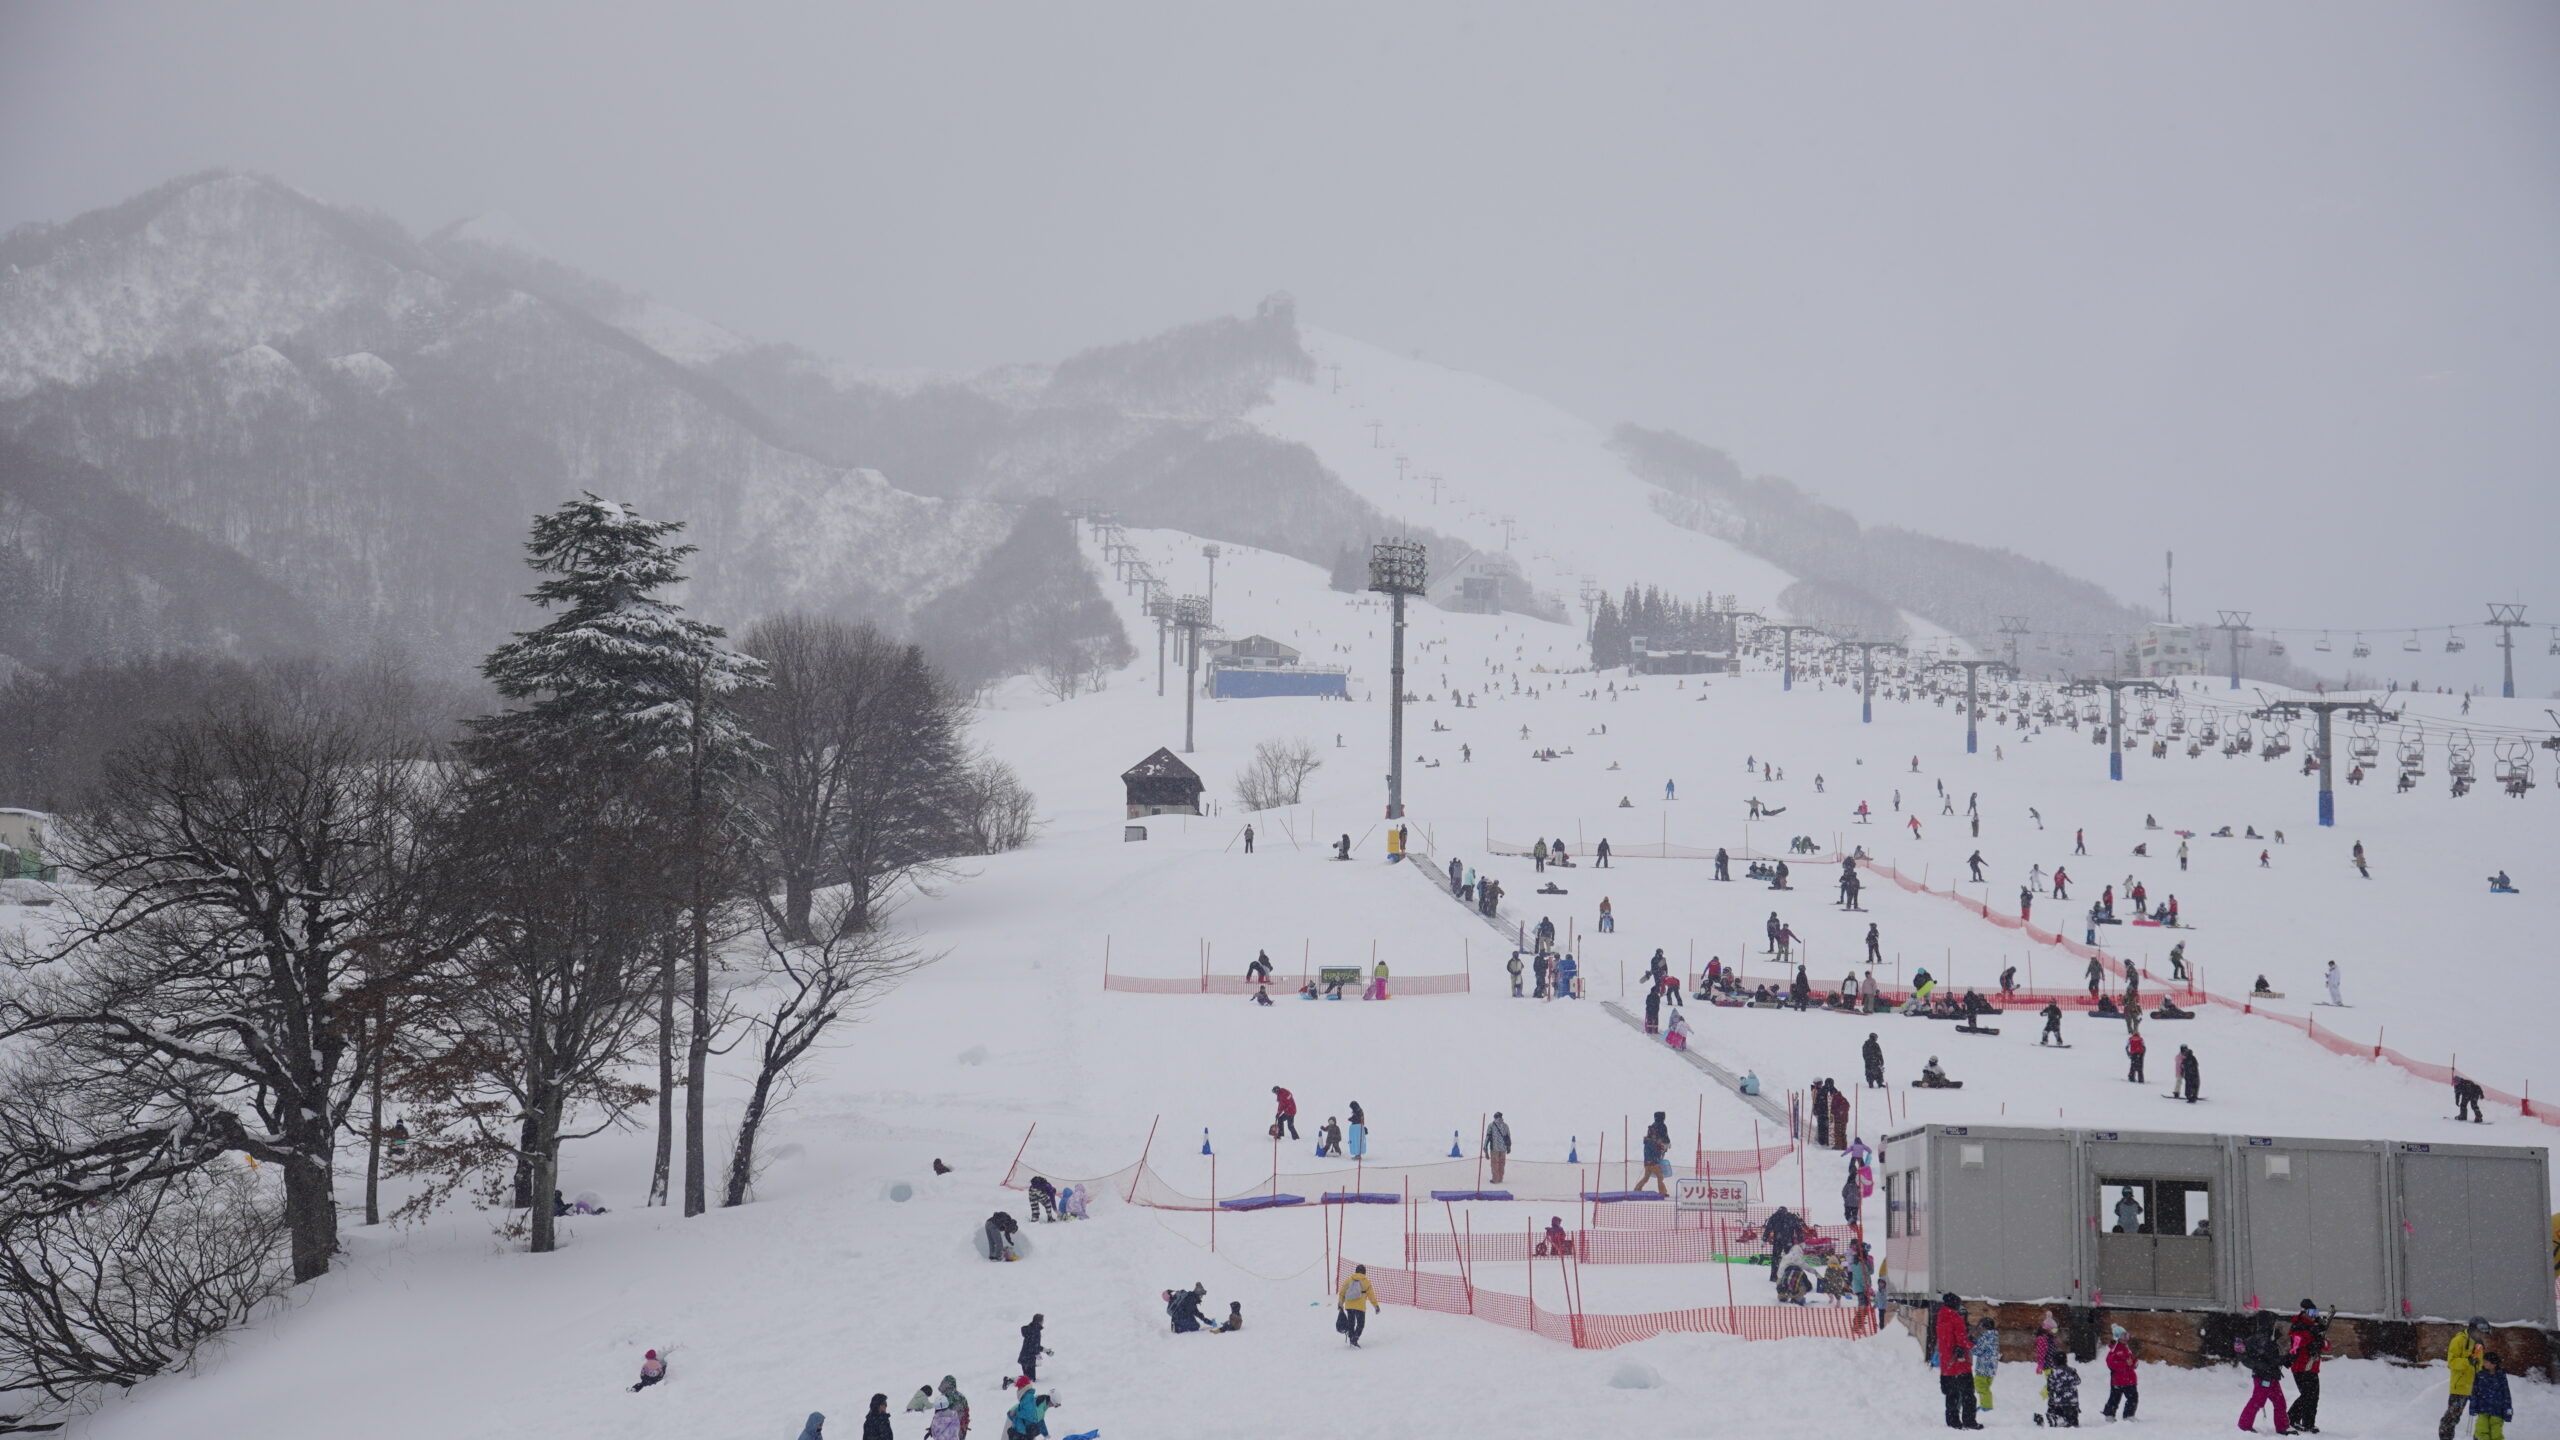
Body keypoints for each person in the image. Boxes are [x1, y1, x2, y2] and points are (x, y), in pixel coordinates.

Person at [2239, 1312, 2290, 1434]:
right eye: (2273, 1322)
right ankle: (2244, 1426)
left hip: (2272, 1377)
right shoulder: (2258, 1339)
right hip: (2263, 1377)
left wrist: (2286, 1359)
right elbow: (2267, 1359)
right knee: (2257, 1401)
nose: (2274, 1325)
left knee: (2280, 1402)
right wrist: (2282, 1360)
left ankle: (2282, 1427)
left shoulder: (2269, 1338)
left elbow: (2273, 1359)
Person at [1935, 1293, 1980, 1429]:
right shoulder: (1956, 1319)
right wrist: (1972, 1342)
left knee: (1951, 1395)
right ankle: (1969, 1421)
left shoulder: (1941, 1318)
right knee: (1968, 1395)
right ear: (1955, 1304)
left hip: (1946, 1363)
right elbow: (1962, 1341)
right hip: (1959, 1365)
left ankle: (1952, 1421)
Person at [2440, 1317, 2490, 1440]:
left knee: (2485, 1415)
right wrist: (2467, 1362)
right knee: (2452, 1417)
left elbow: (2479, 1365)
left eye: (2482, 1333)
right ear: (2472, 1329)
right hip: (2460, 1387)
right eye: (2479, 1332)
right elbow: (2451, 1362)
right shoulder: (2458, 1341)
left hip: (2475, 1386)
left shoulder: (2479, 1345)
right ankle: (2445, 1437)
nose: (2481, 1335)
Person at [2287, 1302, 2325, 1434]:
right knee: (2307, 1395)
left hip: (2312, 1367)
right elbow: (2298, 1341)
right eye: (2311, 1313)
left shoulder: (2315, 1326)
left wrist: (2321, 1340)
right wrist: (2312, 1333)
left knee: (2314, 1396)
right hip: (2300, 1367)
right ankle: (2291, 1419)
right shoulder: (2298, 1325)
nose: (2314, 1317)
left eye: (2316, 1313)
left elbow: (2325, 1345)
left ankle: (2309, 1423)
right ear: (2303, 1312)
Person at [2471, 1348, 2512, 1440]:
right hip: (2483, 1409)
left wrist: (2508, 1411)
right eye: (2483, 1361)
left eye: (2486, 1362)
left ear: (2494, 1364)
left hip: (2497, 1410)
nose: (2484, 1363)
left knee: (2496, 1434)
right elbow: (2474, 1392)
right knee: (2481, 1429)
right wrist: (2473, 1406)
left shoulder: (2501, 1376)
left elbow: (2506, 1394)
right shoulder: (2480, 1375)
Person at [1336, 1263, 1381, 1347]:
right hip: (1360, 1307)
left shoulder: (1349, 1280)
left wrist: (1340, 1303)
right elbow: (1371, 1296)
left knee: (1351, 1323)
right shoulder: (1366, 1282)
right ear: (1364, 1272)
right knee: (1361, 1324)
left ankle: (1351, 1337)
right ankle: (1355, 1338)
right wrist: (1376, 1306)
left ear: (1356, 1271)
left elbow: (1342, 1293)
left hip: (1349, 1306)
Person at [2102, 1324, 2139, 1420]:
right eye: (2123, 1337)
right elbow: (2111, 1363)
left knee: (2133, 1398)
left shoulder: (2126, 1348)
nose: (2126, 1339)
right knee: (2114, 1398)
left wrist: (2133, 1363)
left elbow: (2132, 1360)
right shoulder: (2114, 1350)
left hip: (2130, 1379)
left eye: (2126, 1336)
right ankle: (2109, 1414)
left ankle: (2129, 1415)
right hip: (2118, 1380)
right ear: (2117, 1338)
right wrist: (2125, 1364)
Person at [2044, 1352, 2083, 1428]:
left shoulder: (2053, 1372)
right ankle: (2072, 1421)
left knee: (2060, 1420)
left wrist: (2050, 1406)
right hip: (2073, 1402)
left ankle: (2061, 1420)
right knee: (2074, 1423)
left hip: (2060, 1402)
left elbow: (2050, 1388)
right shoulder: (2072, 1370)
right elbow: (2078, 1381)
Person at [1638, 1111, 1672, 1194]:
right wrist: (1657, 1157)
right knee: (1660, 1176)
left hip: (1648, 1163)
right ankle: (1663, 1192)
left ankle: (1637, 1188)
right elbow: (1655, 1152)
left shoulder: (1648, 1142)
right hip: (1653, 1163)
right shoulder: (1653, 1142)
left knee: (1646, 1177)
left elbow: (1648, 1152)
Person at [1972, 1317, 2001, 1414]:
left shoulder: (1985, 1336)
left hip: (1983, 1366)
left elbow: (1978, 1350)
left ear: (1984, 1326)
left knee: (1981, 1386)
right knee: (1986, 1386)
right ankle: (1984, 1404)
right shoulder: (1994, 1336)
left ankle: (1986, 1406)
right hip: (1992, 1366)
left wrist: (1971, 1347)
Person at [1018, 1313, 1048, 1382]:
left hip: (1025, 1357)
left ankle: (1010, 1380)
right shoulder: (1036, 1331)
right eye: (1043, 1320)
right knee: (1030, 1380)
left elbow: (1033, 1345)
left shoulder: (1030, 1328)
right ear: (1039, 1321)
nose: (1043, 1322)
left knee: (1027, 1379)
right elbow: (1035, 1346)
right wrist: (1045, 1351)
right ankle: (1011, 1380)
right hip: (1029, 1358)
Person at [1484, 1112, 1513, 1183]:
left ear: (1495, 1117)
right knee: (1502, 1163)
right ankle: (1500, 1178)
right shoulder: (1506, 1125)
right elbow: (1508, 1137)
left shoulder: (1491, 1125)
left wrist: (1485, 1148)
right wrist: (1509, 1147)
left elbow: (1487, 1138)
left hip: (1494, 1149)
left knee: (1494, 1164)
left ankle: (1495, 1179)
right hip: (1503, 1149)